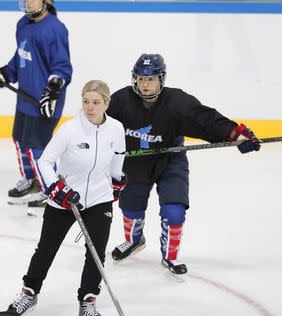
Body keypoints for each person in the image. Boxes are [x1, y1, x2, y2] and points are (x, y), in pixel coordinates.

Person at [107, 53, 261, 275]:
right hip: (134, 162)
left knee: (175, 211)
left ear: (161, 79)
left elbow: (205, 119)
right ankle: (134, 241)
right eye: (141, 78)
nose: (145, 84)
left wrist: (234, 133)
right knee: (130, 208)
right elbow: (100, 125)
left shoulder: (177, 101)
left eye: (151, 79)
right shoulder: (121, 100)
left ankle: (170, 256)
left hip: (170, 160)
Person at [2, 80, 126, 316]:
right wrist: (55, 187)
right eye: (86, 101)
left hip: (99, 198)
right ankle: (29, 292)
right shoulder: (70, 130)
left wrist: (117, 180)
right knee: (46, 249)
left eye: (96, 102)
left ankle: (88, 300)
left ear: (106, 104)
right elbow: (45, 161)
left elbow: (118, 155)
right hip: (64, 198)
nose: (89, 107)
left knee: (96, 252)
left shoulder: (116, 129)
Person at [0, 0, 72, 213]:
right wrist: (6, 73)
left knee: (37, 148)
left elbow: (62, 66)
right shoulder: (22, 24)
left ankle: (51, 191)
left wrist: (53, 90)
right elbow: (21, 58)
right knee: (20, 141)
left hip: (43, 102)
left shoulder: (55, 29)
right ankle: (32, 180)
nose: (26, 2)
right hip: (25, 99)